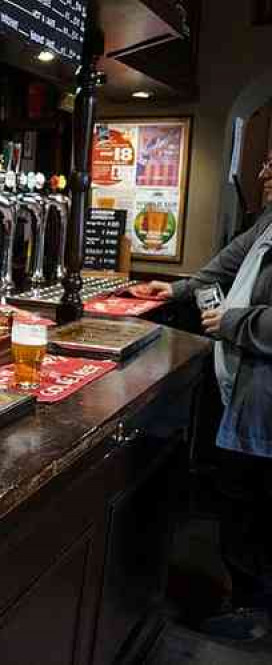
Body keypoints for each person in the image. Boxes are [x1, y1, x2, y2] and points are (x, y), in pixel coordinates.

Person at [132, 213, 272, 635]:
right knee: (241, 498)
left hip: (265, 405)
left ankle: (254, 613)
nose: (265, 174)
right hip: (246, 394)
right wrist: (175, 288)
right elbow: (229, 261)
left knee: (255, 505)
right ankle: (248, 601)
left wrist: (233, 323)